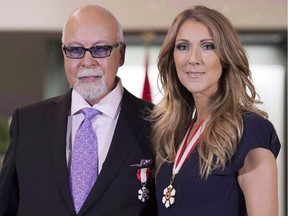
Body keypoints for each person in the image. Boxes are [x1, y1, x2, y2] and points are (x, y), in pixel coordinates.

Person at [0, 4, 157, 216]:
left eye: (100, 49)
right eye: (75, 50)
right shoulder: (28, 123)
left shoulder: (158, 124)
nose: (87, 61)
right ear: (64, 54)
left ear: (121, 54)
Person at [150, 5, 281, 216]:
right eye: (183, 46)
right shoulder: (173, 134)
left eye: (208, 46)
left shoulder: (250, 131)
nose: (193, 59)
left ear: (226, 57)